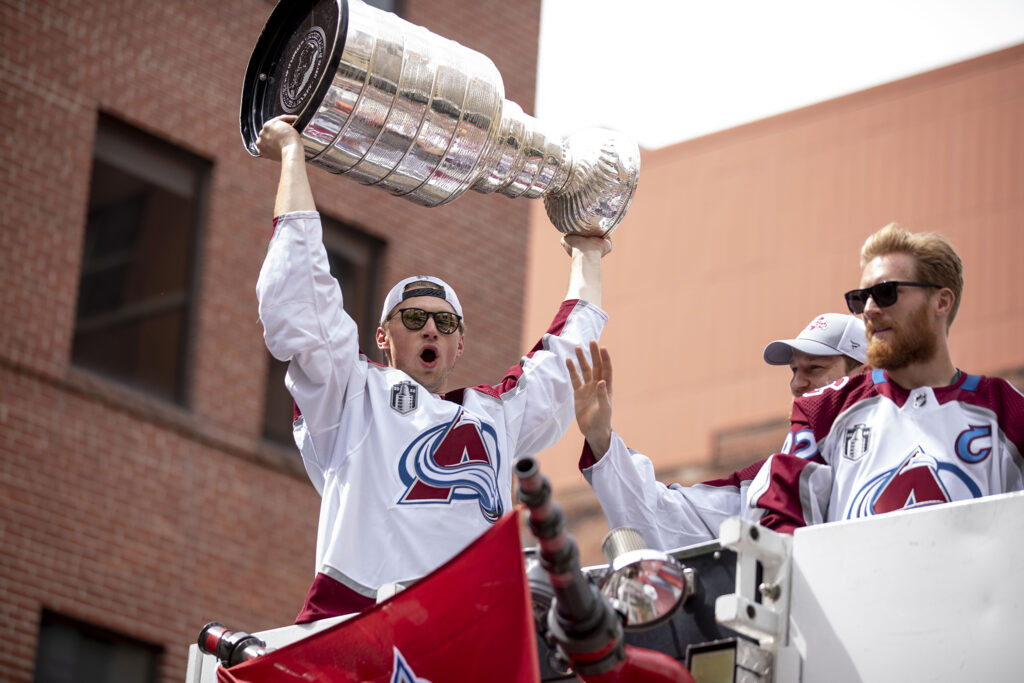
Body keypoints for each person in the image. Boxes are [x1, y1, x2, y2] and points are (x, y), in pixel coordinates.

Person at [254, 114, 612, 621]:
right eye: (415, 317)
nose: (431, 330)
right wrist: (293, 155)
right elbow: (301, 300)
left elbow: (562, 362)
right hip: (362, 626)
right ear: (382, 337)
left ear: (460, 343)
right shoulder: (351, 393)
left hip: (466, 632)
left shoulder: (494, 415)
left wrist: (588, 252)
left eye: (446, 323)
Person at [746, 223, 1024, 532]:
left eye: (885, 293)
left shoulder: (1007, 410)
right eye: (860, 298)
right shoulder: (822, 410)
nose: (868, 310)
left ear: (942, 302)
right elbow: (777, 527)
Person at [567, 314, 868, 550]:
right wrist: (601, 436)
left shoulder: (901, 446)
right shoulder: (766, 481)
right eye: (794, 371)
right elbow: (665, 518)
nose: (796, 384)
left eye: (814, 368)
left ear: (862, 374)